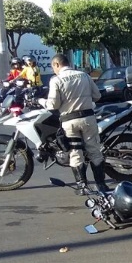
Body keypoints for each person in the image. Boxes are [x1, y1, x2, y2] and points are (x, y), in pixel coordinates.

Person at [44, 54, 106, 195]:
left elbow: (53, 104)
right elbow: (98, 96)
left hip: (69, 122)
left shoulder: (56, 80)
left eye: (53, 67)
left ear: (57, 65)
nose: (54, 70)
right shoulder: (84, 76)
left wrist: (43, 102)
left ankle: (82, 186)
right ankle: (101, 185)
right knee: (95, 151)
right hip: (88, 119)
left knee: (75, 153)